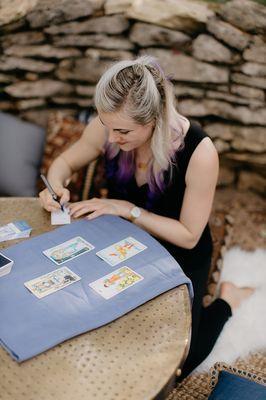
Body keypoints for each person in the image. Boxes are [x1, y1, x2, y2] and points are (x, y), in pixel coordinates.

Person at [39, 55, 253, 377]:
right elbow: (64, 164)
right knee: (91, 321)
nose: (111, 139)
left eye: (123, 132)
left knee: (179, 358)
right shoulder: (110, 124)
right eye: (108, 128)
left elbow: (189, 234)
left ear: (153, 120)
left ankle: (228, 300)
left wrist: (128, 210)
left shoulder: (199, 151)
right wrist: (54, 186)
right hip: (120, 240)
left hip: (178, 249)